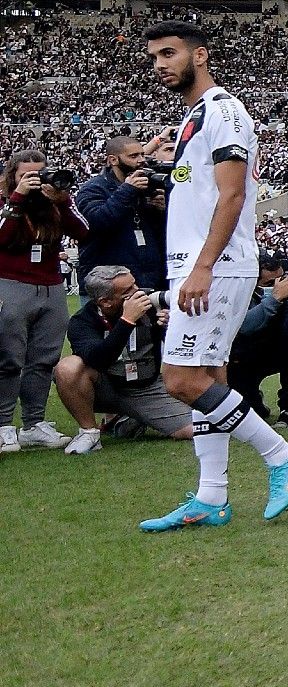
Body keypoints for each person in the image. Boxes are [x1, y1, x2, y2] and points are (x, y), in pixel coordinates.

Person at [138, 20, 288, 532]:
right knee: (209, 377)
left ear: (200, 55)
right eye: (154, 57)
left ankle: (282, 455)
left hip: (216, 266)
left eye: (169, 53)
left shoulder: (224, 110)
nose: (160, 65)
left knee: (180, 379)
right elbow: (205, 191)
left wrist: (203, 266)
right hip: (199, 264)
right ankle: (211, 496)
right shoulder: (193, 118)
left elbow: (233, 195)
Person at [0, 150, 87, 452]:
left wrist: (62, 199)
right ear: (13, 176)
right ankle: (3, 425)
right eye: (27, 175)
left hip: (51, 286)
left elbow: (84, 231)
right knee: (8, 358)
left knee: (44, 359)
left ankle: (34, 424)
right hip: (10, 284)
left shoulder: (55, 202)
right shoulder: (6, 201)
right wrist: (18, 198)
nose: (35, 180)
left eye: (40, 173)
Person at [55, 266, 193, 453]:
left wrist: (171, 328)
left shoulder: (150, 305)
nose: (138, 292)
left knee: (192, 430)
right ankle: (89, 433)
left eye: (135, 284)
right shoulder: (83, 321)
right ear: (105, 302)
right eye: (128, 291)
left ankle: (126, 419)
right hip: (105, 388)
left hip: (145, 388)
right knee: (68, 367)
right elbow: (98, 360)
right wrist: (127, 321)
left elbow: (179, 352)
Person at [228, 254, 288, 429]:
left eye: (280, 279)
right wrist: (274, 299)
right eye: (269, 283)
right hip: (241, 359)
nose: (278, 285)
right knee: (251, 414)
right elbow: (245, 326)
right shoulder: (237, 294)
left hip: (271, 352)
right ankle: (253, 400)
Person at [74, 135, 168, 290]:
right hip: (108, 282)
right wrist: (127, 190)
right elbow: (97, 222)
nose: (141, 160)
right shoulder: (93, 188)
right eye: (133, 156)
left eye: (142, 154)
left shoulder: (146, 186)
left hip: (148, 277)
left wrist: (160, 211)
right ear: (113, 160)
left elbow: (157, 233)